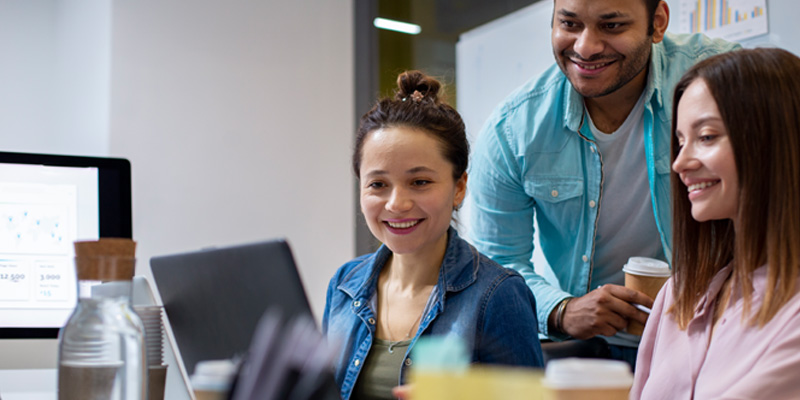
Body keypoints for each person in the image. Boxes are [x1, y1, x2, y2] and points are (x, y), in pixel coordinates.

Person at [466, 0, 740, 364]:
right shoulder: (513, 130)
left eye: (611, 26)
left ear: (657, 23)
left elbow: (778, 189)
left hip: (718, 331)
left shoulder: (717, 77)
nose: (585, 47)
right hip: (590, 345)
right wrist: (562, 310)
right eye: (570, 24)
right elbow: (496, 263)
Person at [322, 71, 544, 400]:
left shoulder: (498, 296)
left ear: (459, 188)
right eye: (378, 184)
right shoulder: (344, 284)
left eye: (420, 182)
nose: (397, 204)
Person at [631, 48, 800, 398]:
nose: (680, 163)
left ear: (774, 140)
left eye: (706, 137)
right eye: (680, 142)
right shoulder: (679, 293)